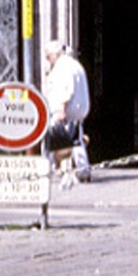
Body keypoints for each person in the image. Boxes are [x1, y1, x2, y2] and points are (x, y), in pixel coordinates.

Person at [42, 40, 92, 183]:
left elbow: (64, 90)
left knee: (50, 138)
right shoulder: (75, 65)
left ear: (54, 54)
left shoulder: (61, 67)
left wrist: (61, 110)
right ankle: (83, 169)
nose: (48, 60)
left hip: (66, 109)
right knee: (76, 139)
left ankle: (46, 169)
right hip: (79, 109)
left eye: (48, 57)